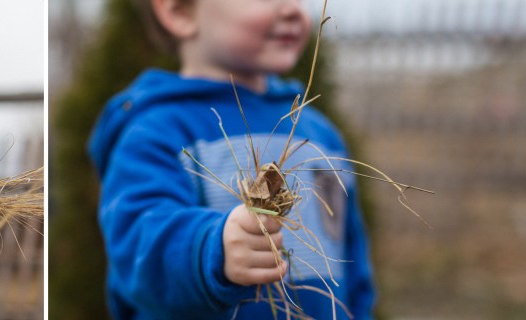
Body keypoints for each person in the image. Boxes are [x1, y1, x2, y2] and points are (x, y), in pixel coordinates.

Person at [87, 0, 374, 318]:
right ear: (180, 12)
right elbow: (139, 251)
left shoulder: (320, 135)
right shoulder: (155, 133)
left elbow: (352, 267)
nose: (293, 9)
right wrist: (211, 250)